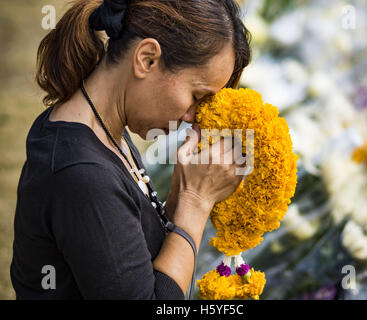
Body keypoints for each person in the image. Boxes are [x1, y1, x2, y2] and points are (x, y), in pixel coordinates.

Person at [10, 0, 251, 299]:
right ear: (147, 59)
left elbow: (141, 260)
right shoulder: (82, 175)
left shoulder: (102, 131)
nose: (194, 116)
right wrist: (195, 203)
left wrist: (183, 191)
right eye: (197, 96)